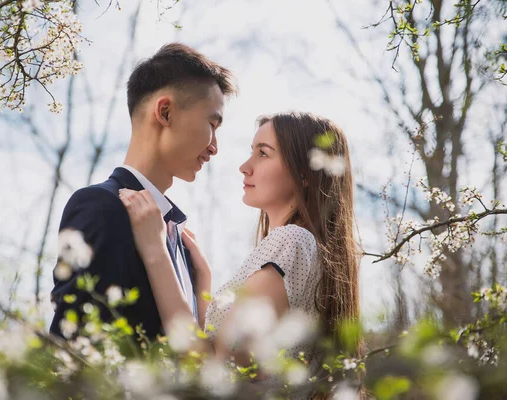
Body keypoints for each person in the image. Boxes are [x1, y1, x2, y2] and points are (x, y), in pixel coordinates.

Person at [119, 111, 361, 397]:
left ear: (305, 174)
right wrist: (203, 284)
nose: (245, 167)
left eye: (263, 154)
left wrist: (155, 251)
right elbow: (239, 359)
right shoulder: (299, 247)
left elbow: (214, 374)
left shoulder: (290, 241)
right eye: (251, 152)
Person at [49, 43, 237, 339]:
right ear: (165, 112)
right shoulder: (102, 206)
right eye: (212, 124)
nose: (215, 146)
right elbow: (73, 340)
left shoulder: (181, 242)